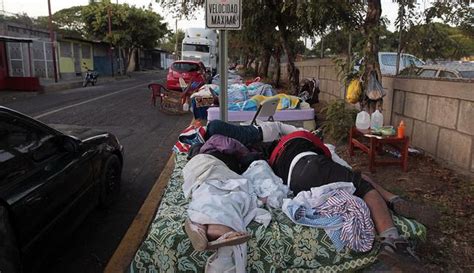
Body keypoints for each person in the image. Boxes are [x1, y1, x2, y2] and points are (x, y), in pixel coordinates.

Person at [268, 130, 438, 272]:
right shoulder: (300, 135)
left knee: (356, 178)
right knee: (363, 187)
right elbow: (327, 153)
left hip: (297, 183)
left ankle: (393, 199)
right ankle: (393, 240)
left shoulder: (273, 158)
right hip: (313, 163)